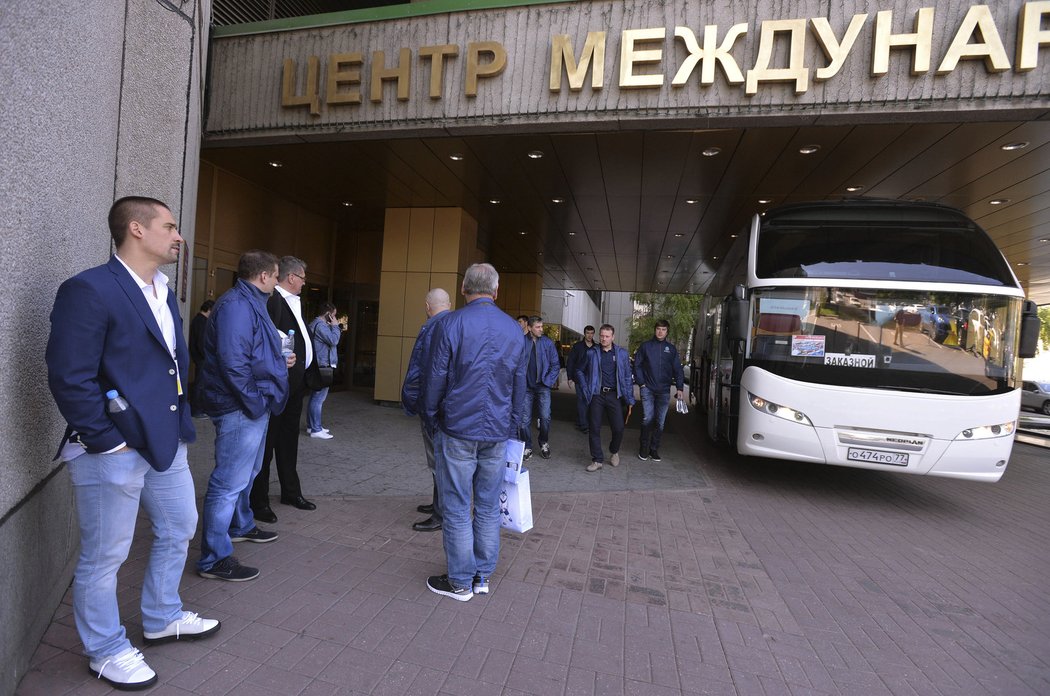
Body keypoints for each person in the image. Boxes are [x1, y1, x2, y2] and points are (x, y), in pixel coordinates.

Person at [45, 196, 220, 690]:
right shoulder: (89, 289)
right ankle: (104, 649)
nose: (179, 235)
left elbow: (172, 367)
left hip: (166, 443)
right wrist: (105, 441)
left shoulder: (164, 292)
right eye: (170, 225)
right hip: (114, 450)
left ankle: (162, 616)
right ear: (137, 229)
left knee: (180, 525)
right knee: (106, 555)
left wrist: (183, 421)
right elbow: (68, 375)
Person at [422, 263, 527, 600]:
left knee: (455, 505)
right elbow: (519, 387)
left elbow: (435, 376)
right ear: (495, 291)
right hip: (496, 431)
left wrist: (430, 415)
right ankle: (481, 576)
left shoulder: (450, 323)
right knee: (487, 506)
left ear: (464, 288)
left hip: (457, 428)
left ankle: (460, 581)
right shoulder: (513, 329)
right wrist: (512, 426)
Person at [196, 250, 291, 581]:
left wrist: (278, 361)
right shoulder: (238, 305)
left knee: (245, 473)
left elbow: (249, 354)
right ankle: (213, 558)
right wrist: (255, 402)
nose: (278, 282)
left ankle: (241, 525)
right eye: (277, 276)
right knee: (228, 481)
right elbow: (232, 362)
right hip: (240, 405)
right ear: (264, 276)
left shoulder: (248, 302)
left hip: (248, 403)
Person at [251, 255, 316, 520]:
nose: (304, 283)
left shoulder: (295, 303)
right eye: (302, 278)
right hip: (277, 386)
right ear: (292, 277)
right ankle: (259, 501)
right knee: (267, 445)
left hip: (294, 387)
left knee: (289, 442)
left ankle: (291, 491)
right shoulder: (273, 300)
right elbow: (268, 340)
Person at [401, 288, 452, 533]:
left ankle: (440, 513)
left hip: (432, 406)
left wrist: (411, 401)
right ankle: (437, 504)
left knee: (437, 460)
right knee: (441, 459)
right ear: (449, 304)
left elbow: (419, 370)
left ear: (427, 306)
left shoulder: (431, 327)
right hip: (449, 405)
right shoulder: (456, 325)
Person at [576, 324, 635, 472]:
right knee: (594, 428)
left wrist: (630, 399)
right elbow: (579, 370)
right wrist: (585, 387)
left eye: (607, 336)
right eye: (601, 335)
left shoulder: (621, 353)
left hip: (615, 395)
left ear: (613, 337)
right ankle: (597, 460)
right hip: (597, 394)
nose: (603, 338)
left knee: (619, 428)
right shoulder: (592, 353)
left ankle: (614, 451)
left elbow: (627, 377)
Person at [633, 319, 685, 462]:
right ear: (654, 330)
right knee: (647, 418)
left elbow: (678, 369)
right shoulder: (646, 347)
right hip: (648, 389)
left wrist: (680, 387)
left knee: (660, 422)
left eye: (663, 329)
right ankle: (643, 448)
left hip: (664, 390)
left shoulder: (671, 349)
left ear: (667, 332)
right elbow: (637, 365)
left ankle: (654, 449)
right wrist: (641, 383)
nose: (660, 332)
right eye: (658, 329)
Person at [519, 316, 560, 459]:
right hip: (525, 387)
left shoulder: (548, 343)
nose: (541, 329)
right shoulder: (521, 342)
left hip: (543, 386)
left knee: (545, 417)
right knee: (524, 420)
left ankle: (543, 442)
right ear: (529, 328)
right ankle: (527, 446)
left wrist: (548, 381)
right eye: (538, 327)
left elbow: (555, 365)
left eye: (542, 326)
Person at [306, 301, 342, 440]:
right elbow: (333, 340)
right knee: (318, 398)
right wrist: (336, 327)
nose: (335, 318)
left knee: (315, 397)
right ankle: (316, 429)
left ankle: (312, 426)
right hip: (323, 364)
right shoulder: (321, 325)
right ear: (328, 315)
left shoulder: (315, 324)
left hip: (319, 363)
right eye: (334, 315)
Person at [565, 325, 596, 433]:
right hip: (579, 378)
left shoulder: (596, 348)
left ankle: (580, 421)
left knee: (588, 401)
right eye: (588, 333)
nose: (590, 335)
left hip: (592, 379)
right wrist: (569, 377)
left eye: (592, 333)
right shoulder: (577, 347)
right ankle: (584, 425)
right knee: (582, 401)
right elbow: (571, 361)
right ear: (584, 333)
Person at [188, 299, 214, 417]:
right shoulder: (201, 322)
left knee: (201, 383)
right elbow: (202, 342)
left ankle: (199, 409)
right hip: (202, 358)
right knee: (200, 384)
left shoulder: (198, 320)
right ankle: (197, 410)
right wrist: (208, 356)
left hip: (199, 357)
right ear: (209, 310)